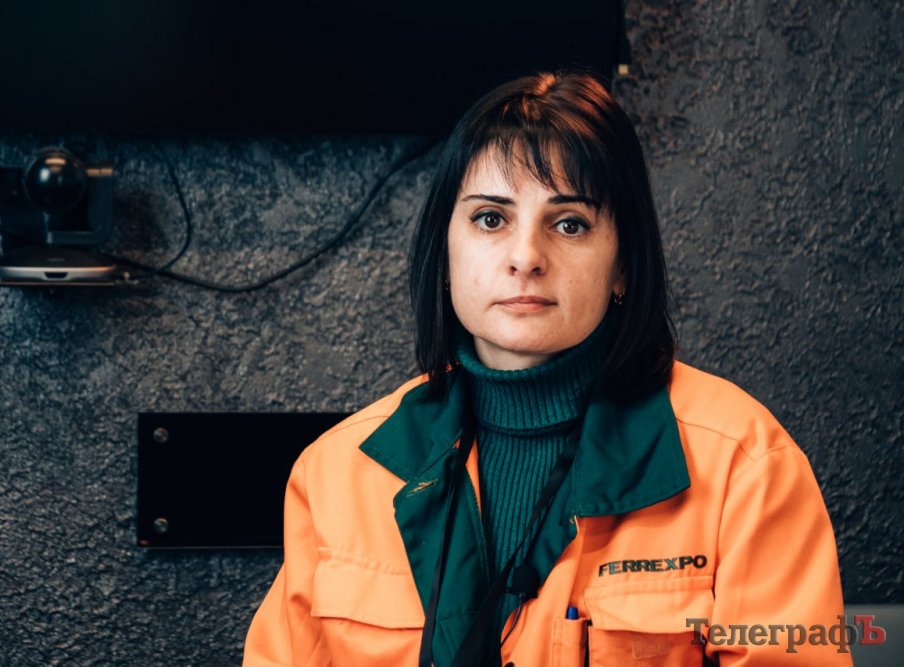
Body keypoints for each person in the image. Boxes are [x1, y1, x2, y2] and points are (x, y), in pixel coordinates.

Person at [243, 71, 850, 666]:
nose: (526, 256)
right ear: (445, 252)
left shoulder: (745, 466)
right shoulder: (336, 474)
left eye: (569, 224)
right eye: (490, 218)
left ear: (622, 265)